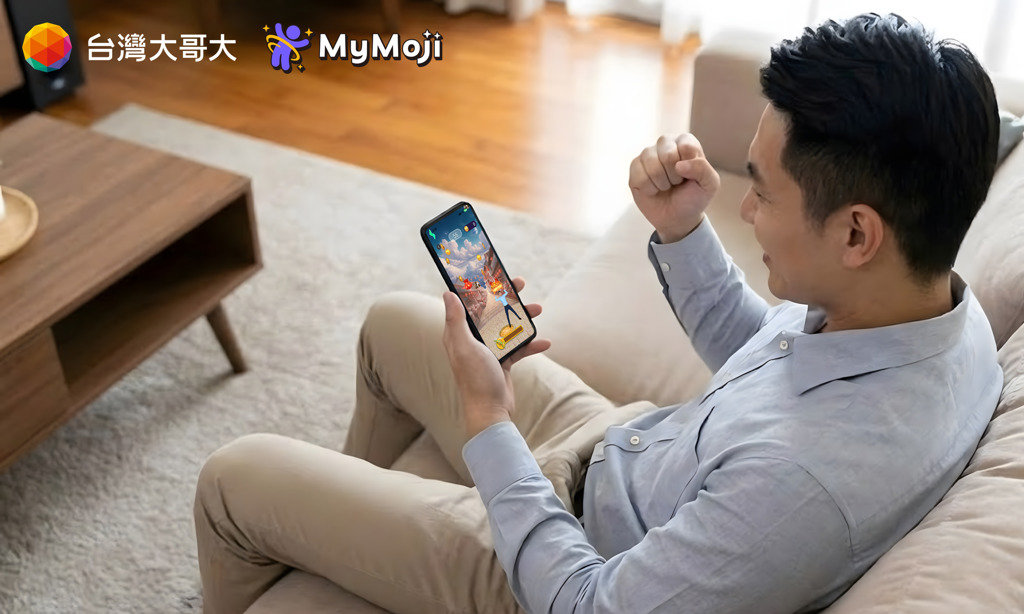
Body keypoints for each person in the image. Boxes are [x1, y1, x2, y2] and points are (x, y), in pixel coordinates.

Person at [193, 13, 1004, 614]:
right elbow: (768, 355)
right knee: (393, 325)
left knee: (234, 479)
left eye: (762, 189)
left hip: (558, 565)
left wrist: (489, 426)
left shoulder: (804, 486)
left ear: (857, 233)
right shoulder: (936, 313)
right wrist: (681, 230)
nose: (747, 209)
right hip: (626, 449)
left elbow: (588, 603)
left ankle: (347, 536)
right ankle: (342, 541)